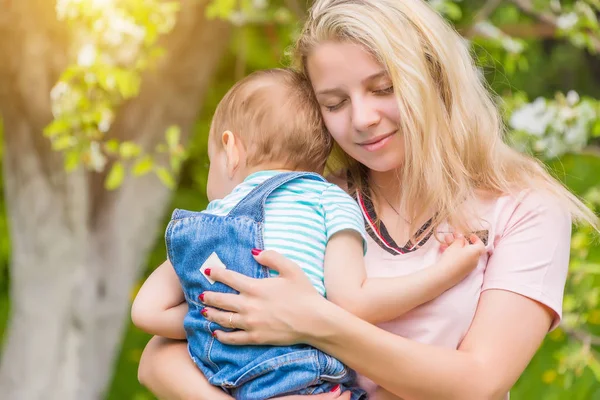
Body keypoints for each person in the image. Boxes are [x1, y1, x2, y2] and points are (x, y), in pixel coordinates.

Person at [136, 0, 599, 399]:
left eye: (383, 89)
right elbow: (159, 358)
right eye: (334, 103)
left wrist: (312, 320)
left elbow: (479, 383)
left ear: (435, 78)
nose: (362, 118)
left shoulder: (523, 208)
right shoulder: (308, 203)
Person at [131, 68, 484, 399]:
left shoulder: (210, 221)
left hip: (226, 384)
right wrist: (445, 272)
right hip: (307, 385)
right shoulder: (330, 200)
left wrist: (224, 318)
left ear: (230, 149)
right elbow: (354, 302)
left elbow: (147, 313)